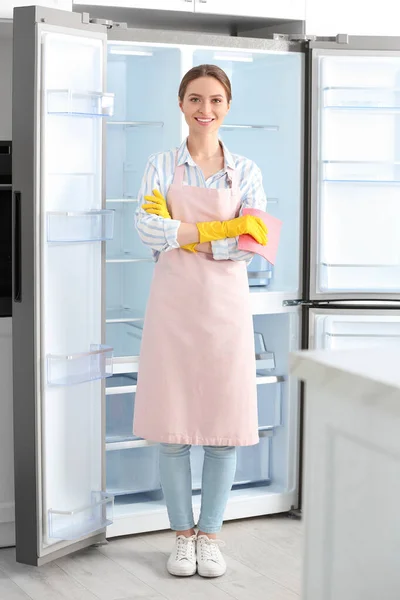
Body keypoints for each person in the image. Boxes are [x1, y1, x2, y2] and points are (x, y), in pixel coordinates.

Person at [134, 64, 268, 578]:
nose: (204, 109)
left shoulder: (246, 171)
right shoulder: (159, 164)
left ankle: (210, 535)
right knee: (174, 431)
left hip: (225, 312)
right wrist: (223, 229)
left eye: (215, 100)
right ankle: (181, 535)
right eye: (195, 98)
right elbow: (148, 230)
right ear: (181, 103)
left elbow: (252, 245)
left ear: (227, 107)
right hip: (173, 309)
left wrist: (183, 230)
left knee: (223, 431)